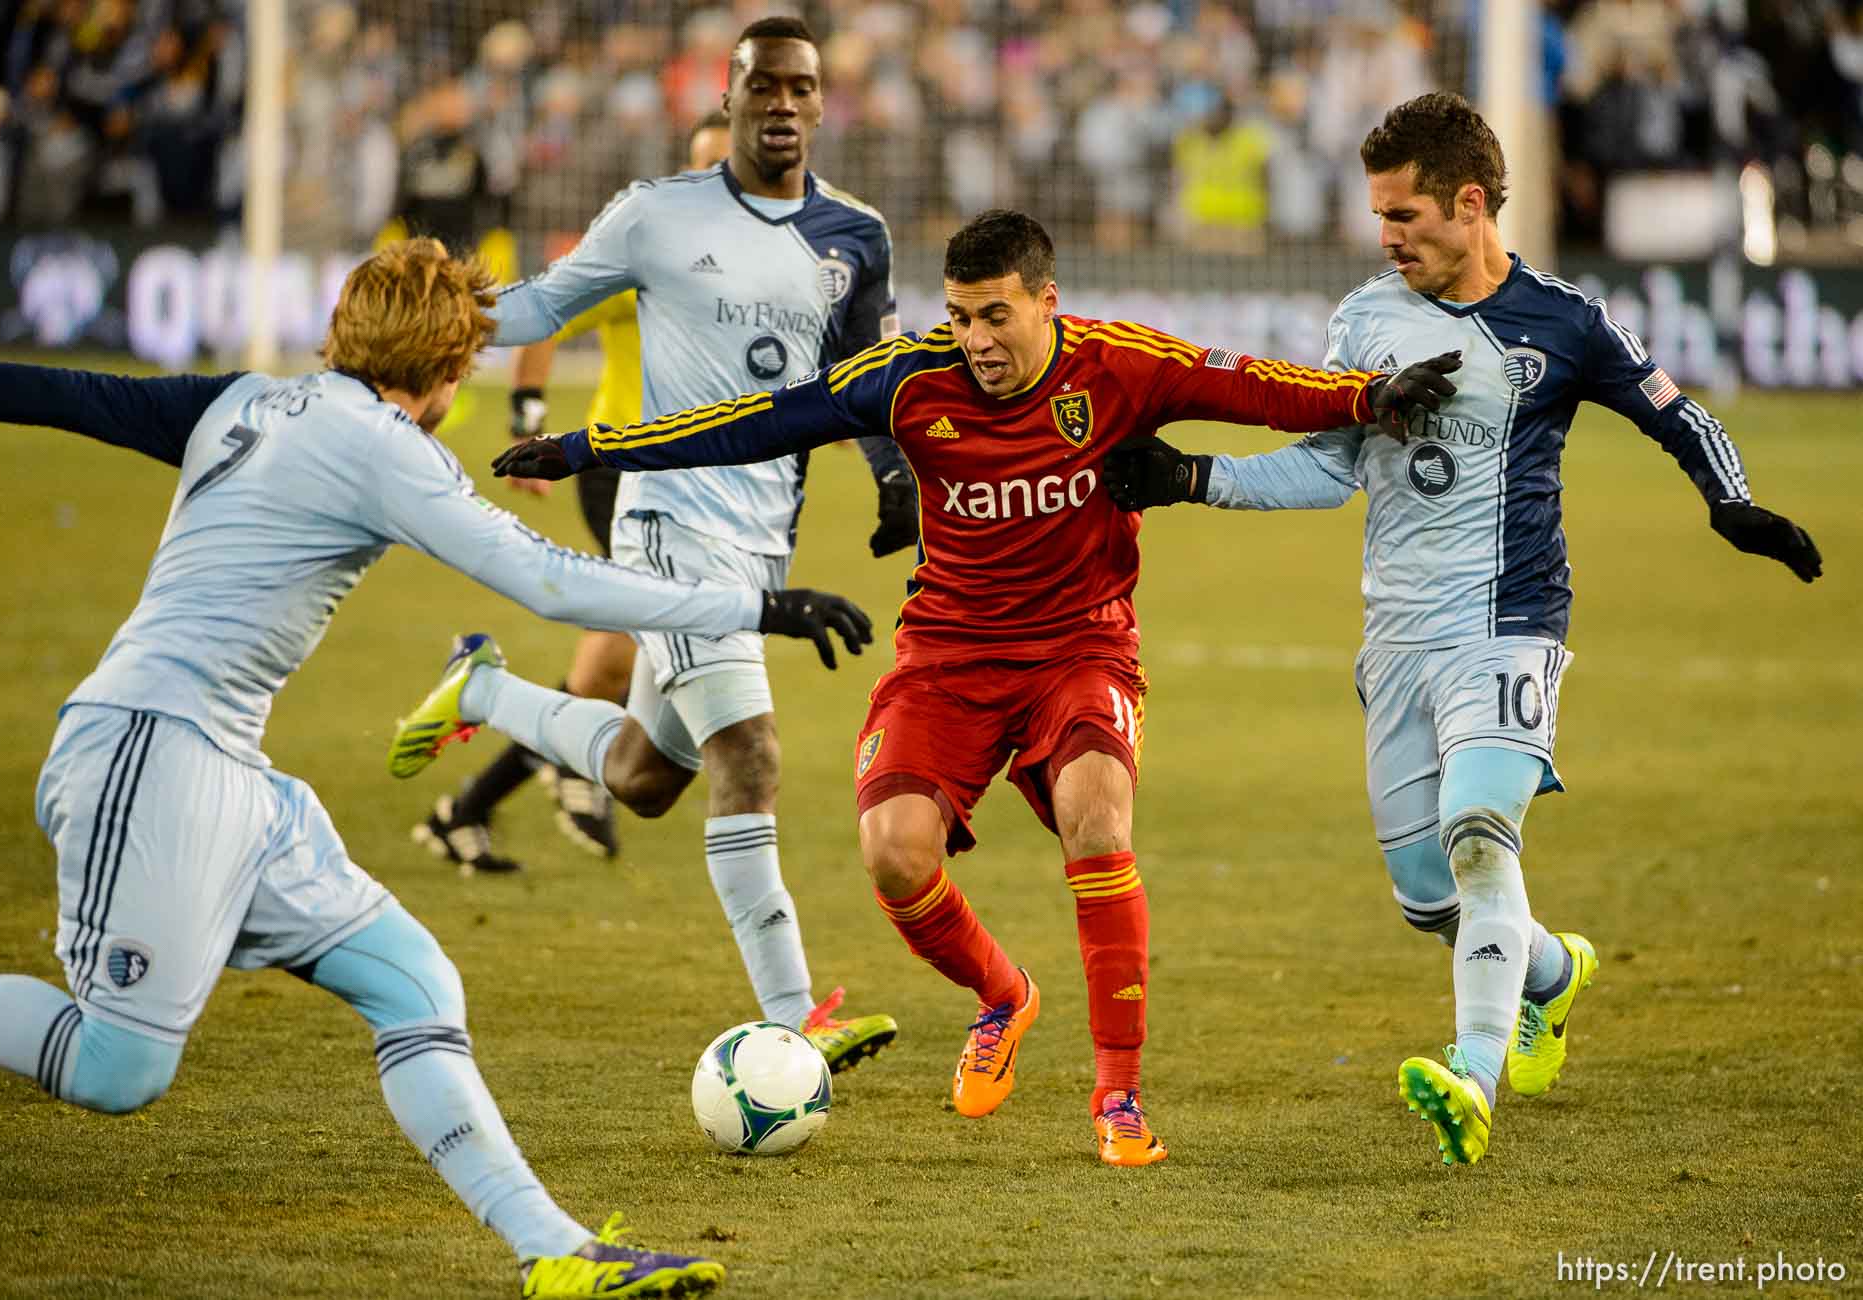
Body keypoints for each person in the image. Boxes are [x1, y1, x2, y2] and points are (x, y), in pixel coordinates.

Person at [0, 238, 872, 1298]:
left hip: (229, 772)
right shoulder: (386, 448)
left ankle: (559, 1256)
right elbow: (554, 582)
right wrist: (756, 605)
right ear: (443, 368)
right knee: (118, 1070)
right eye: (466, 366)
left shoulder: (246, 399)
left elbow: (66, 395)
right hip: (149, 751)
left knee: (414, 981)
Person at [472, 208, 1462, 1166]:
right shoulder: (907, 381)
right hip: (948, 652)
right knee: (894, 854)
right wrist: (589, 447)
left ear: (1047, 302)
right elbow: (755, 423)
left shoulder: (1118, 364)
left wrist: (1368, 396)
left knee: (1098, 819)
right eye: (959, 315)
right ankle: (1003, 996)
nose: (976, 339)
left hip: (1082, 649)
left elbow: (1253, 385)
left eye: (996, 315)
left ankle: (1118, 1098)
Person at [1104, 92, 1822, 1168]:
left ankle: (1471, 1075)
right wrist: (1190, 476)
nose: (1387, 238)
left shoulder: (1566, 322)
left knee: (1482, 831)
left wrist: (1731, 501)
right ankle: (1549, 974)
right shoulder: (1364, 319)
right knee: (1428, 895)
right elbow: (1327, 467)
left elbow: (1680, 412)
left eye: (1405, 215)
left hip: (1510, 621)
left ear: (1470, 202)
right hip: (1396, 639)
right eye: (1381, 217)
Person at [461, 16, 912, 1076]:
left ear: (821, 101)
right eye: (765, 87)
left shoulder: (856, 235)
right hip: (664, 521)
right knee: (748, 757)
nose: (786, 106)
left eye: (803, 88)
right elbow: (537, 306)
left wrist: (895, 481)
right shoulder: (656, 215)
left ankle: (480, 693)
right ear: (728, 97)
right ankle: (798, 1019)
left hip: (761, 539)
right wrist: (437, 307)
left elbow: (869, 374)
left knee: (644, 775)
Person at [416, 111, 735, 873]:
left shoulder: (757, 264)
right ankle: (561, 765)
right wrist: (527, 414)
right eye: (704, 168)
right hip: (619, 471)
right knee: (649, 649)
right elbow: (550, 313)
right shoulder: (656, 254)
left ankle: (471, 806)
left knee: (619, 661)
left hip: (700, 481)